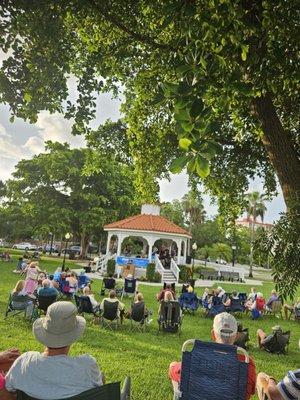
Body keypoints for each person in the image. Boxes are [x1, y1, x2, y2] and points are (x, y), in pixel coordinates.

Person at [5, 302, 103, 399]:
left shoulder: (24, 362)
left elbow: (8, 389)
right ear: (74, 334)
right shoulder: (87, 366)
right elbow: (99, 389)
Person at [168, 312, 256, 400]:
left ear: (213, 334)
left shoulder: (196, 358)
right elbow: (249, 391)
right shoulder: (246, 363)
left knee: (173, 366)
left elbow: (176, 372)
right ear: (236, 336)